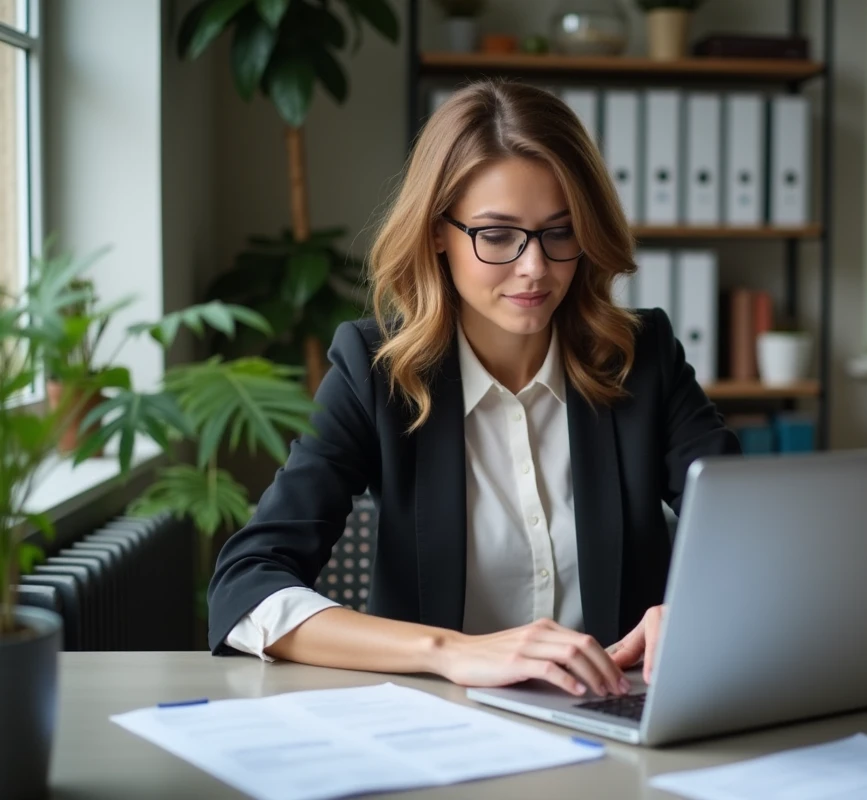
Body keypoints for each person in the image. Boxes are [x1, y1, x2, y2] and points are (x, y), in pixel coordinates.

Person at [207, 80, 741, 700]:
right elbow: (246, 585)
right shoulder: (374, 370)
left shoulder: (640, 358)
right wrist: (452, 652)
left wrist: (697, 612)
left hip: (616, 723)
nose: (534, 267)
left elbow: (755, 540)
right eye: (496, 235)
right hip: (436, 727)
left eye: (560, 232)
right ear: (438, 232)